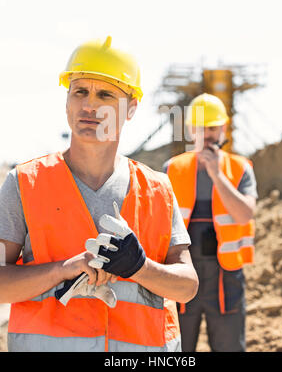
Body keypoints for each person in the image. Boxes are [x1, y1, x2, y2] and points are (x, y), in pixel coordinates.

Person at [0, 36, 198, 352]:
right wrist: (61, 270)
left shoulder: (157, 190)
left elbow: (187, 285)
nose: (89, 105)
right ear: (67, 101)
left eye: (105, 94)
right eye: (80, 91)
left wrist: (141, 268)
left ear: (131, 108)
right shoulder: (25, 183)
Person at [162, 93, 257, 352]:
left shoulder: (240, 168)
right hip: (182, 275)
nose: (209, 134)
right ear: (192, 131)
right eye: (202, 127)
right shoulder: (172, 169)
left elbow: (244, 215)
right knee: (175, 350)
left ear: (224, 129)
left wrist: (216, 174)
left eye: (213, 127)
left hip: (225, 279)